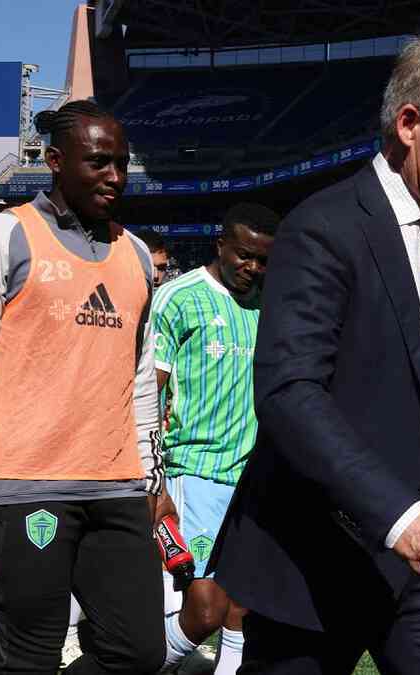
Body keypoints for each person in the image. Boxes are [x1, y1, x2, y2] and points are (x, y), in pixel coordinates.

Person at [208, 33, 420, 673]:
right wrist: (399, 517)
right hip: (315, 560)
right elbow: (290, 393)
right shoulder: (324, 228)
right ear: (409, 124)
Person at [0, 100, 165, 675]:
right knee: (29, 656)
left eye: (123, 164)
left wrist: (153, 476)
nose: (115, 177)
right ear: (56, 161)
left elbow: (141, 380)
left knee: (138, 653)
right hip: (27, 488)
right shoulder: (0, 239)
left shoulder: (136, 255)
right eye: (100, 162)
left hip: (119, 487)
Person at [151, 202, 278, 674]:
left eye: (263, 259)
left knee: (243, 608)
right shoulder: (179, 299)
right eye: (244, 255)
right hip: (195, 475)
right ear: (220, 244)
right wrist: (154, 480)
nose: (253, 267)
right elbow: (148, 394)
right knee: (203, 611)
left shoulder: (272, 303)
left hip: (256, 483)